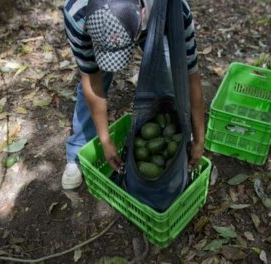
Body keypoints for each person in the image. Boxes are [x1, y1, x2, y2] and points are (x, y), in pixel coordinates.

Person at [61, 0, 204, 189]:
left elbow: (190, 77)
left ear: (143, 12)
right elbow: (92, 80)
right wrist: (105, 140)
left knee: (170, 72)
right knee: (98, 75)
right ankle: (77, 150)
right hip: (99, 27)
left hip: (156, 19)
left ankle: (170, 123)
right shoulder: (76, 14)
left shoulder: (175, 11)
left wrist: (199, 139)